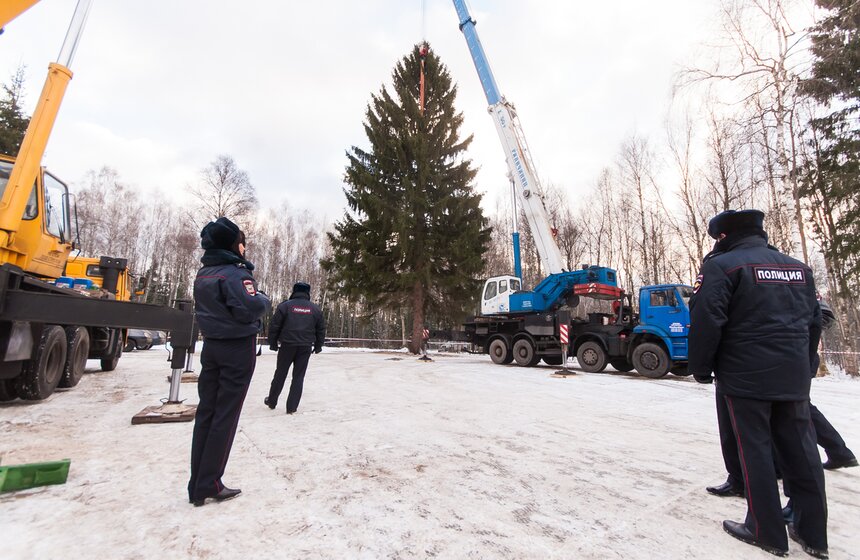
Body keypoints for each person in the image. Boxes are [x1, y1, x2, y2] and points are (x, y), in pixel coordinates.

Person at [689, 209, 828, 558]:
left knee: (755, 449)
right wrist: (807, 365)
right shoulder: (799, 268)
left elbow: (707, 319)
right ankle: (812, 533)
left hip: (746, 376)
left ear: (723, 237)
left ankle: (764, 530)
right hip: (793, 375)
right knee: (802, 450)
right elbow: (814, 323)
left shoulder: (723, 266)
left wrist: (702, 367)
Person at [188, 217, 270, 507]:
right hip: (236, 348)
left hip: (212, 346)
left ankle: (197, 481)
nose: (244, 247)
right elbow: (251, 308)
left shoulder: (205, 273)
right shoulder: (235, 274)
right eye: (241, 241)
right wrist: (262, 297)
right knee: (225, 415)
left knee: (207, 413)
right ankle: (210, 482)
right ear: (234, 244)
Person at [265, 282, 326, 414]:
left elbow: (275, 326)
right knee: (298, 377)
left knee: (280, 374)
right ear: (307, 293)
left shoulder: (285, 306)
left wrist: (273, 343)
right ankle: (292, 407)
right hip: (305, 347)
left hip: (287, 345)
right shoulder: (315, 309)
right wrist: (318, 345)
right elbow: (320, 329)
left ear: (294, 291)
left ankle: (272, 401)